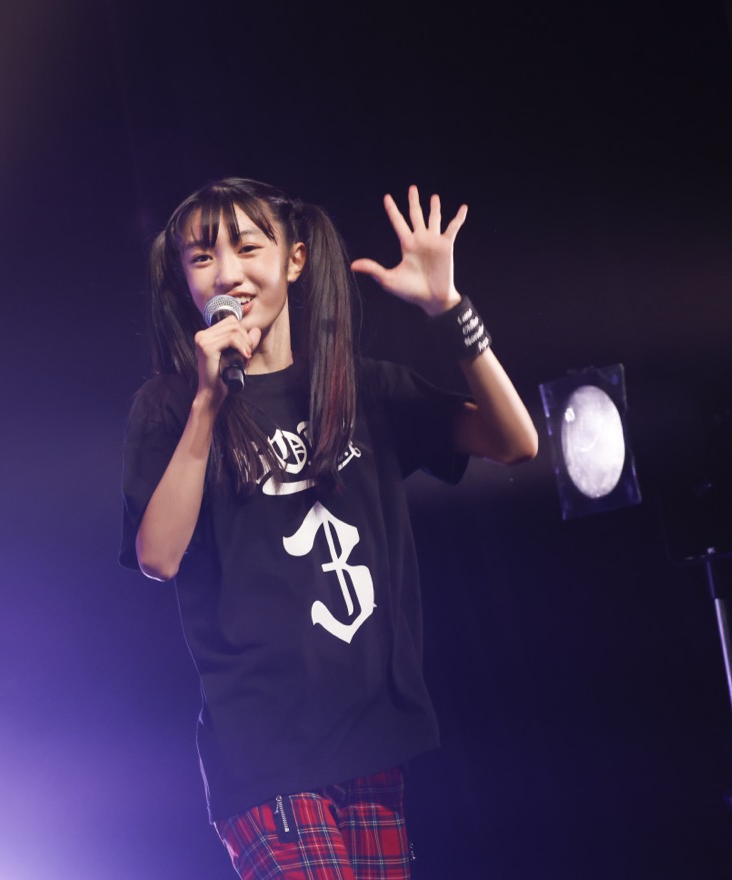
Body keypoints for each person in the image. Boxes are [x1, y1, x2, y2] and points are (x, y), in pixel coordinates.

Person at [120, 179, 537, 880]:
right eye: (202, 257)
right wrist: (207, 404)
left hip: (373, 746)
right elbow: (158, 557)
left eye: (247, 247)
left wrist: (450, 310)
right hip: (265, 758)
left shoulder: (360, 388)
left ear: (295, 259)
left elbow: (515, 441)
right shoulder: (170, 407)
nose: (226, 273)